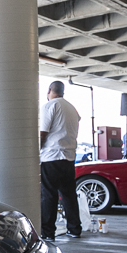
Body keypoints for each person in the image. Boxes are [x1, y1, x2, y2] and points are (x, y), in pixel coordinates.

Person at [39, 81, 81, 241]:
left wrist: (35, 152)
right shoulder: (72, 108)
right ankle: (74, 229)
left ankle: (48, 233)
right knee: (69, 195)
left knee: (49, 195)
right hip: (69, 157)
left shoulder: (50, 106)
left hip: (51, 156)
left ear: (49, 90)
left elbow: (43, 132)